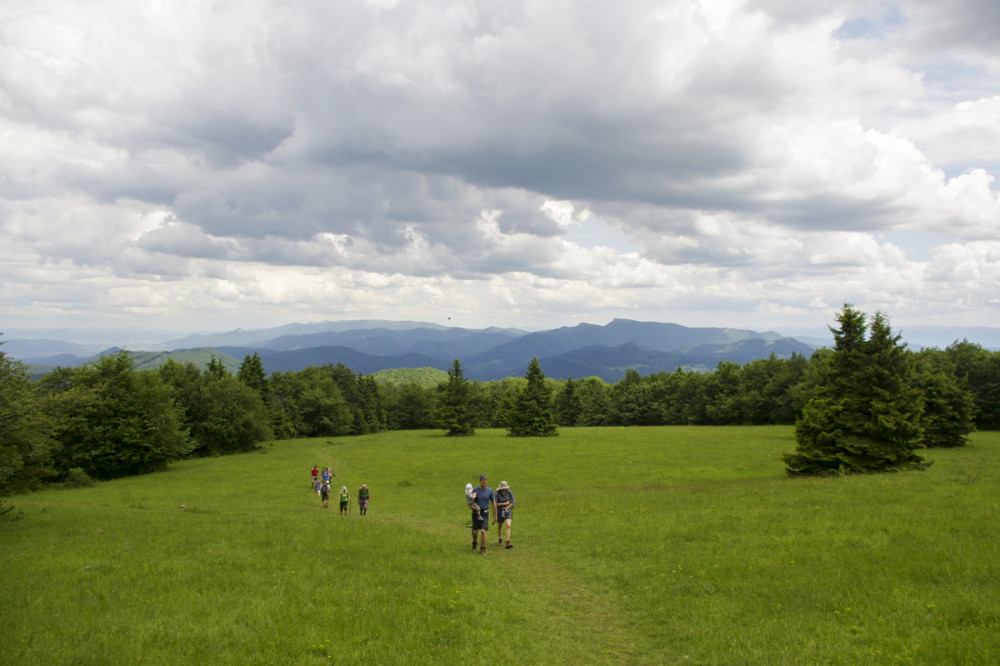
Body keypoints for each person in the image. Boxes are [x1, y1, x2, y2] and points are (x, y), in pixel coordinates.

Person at [470, 474, 495, 556]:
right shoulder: (475, 490)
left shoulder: (490, 491)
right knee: (475, 532)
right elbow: (470, 502)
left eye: (485, 482)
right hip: (476, 513)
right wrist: (472, 506)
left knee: (483, 531)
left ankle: (482, 548)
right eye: (482, 483)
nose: (484, 484)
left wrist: (496, 514)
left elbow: (493, 503)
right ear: (479, 482)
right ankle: (474, 541)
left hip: (485, 513)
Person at [494, 480, 514, 549]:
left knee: (508, 525)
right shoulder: (497, 494)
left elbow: (513, 501)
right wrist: (505, 504)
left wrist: (508, 506)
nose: (504, 489)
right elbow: (495, 503)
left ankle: (507, 542)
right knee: (500, 526)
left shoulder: (509, 492)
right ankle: (500, 538)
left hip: (507, 511)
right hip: (500, 512)